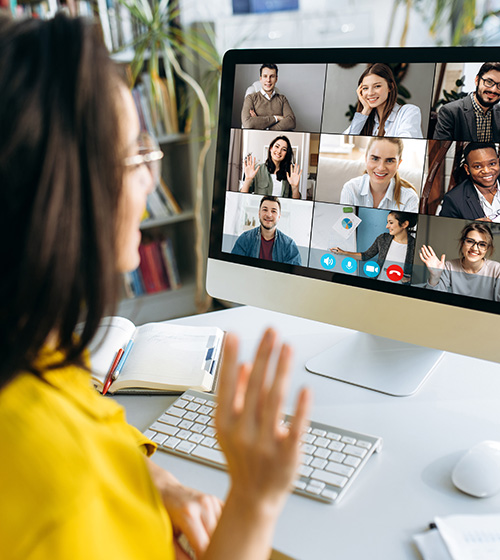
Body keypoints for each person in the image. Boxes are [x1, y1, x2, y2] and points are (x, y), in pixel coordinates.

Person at [0, 14, 311, 560]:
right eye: (135, 154)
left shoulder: (31, 349)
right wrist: (255, 498)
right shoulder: (60, 489)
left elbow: (99, 427)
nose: (152, 175)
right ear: (62, 197)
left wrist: (154, 481)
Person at [420, 222, 500, 301]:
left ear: (488, 249)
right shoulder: (450, 266)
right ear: (462, 243)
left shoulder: (497, 270)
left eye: (482, 244)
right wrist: (435, 276)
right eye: (470, 241)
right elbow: (435, 299)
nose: (475, 248)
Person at [331, 211, 418, 282]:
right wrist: (343, 252)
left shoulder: (415, 246)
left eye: (391, 223)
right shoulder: (383, 239)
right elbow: (366, 255)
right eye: (387, 222)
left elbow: (420, 274)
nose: (387, 226)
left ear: (404, 224)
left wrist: (410, 279)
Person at [339, 137, 419, 212]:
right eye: (375, 159)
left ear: (398, 164)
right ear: (366, 158)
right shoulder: (350, 189)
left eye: (390, 161)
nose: (381, 168)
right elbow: (345, 223)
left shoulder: (409, 198)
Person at [343, 63, 423, 138]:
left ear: (390, 87)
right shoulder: (369, 119)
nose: (370, 93)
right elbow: (346, 142)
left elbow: (405, 146)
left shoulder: (409, 112)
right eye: (365, 88)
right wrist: (365, 111)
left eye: (377, 86)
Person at [433, 62, 500, 142]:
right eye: (489, 82)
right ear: (477, 80)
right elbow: (439, 151)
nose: (494, 90)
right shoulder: (450, 112)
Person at [231, 196, 302, 265]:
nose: (269, 215)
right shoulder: (245, 239)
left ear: (279, 216)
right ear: (259, 213)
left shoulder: (289, 245)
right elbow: (234, 268)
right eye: (265, 210)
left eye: (273, 211)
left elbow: (293, 274)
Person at [439, 142, 500, 221]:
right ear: (467, 169)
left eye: (492, 164)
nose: (486, 171)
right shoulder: (453, 200)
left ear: (498, 162)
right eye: (477, 166)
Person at [241, 63, 296, 131]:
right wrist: (276, 118)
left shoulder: (282, 99)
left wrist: (264, 127)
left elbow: (291, 122)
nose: (268, 80)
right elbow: (248, 123)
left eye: (272, 76)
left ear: (276, 79)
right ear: (260, 79)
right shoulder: (251, 98)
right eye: (265, 76)